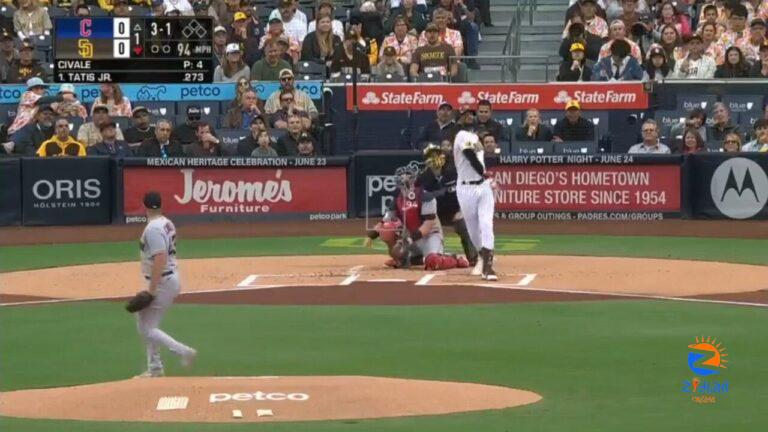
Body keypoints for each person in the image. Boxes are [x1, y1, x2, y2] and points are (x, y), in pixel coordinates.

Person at [133, 191, 197, 378]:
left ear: (144, 206)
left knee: (146, 328)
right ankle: (155, 367)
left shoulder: (153, 228)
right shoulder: (167, 223)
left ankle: (184, 352)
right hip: (167, 278)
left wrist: (152, 290)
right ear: (161, 205)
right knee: (147, 323)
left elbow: (160, 258)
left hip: (162, 281)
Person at [365, 165, 470, 270]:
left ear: (413, 181)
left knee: (433, 261)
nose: (405, 184)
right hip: (410, 236)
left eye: (407, 181)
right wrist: (371, 236)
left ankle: (454, 259)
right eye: (402, 181)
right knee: (387, 229)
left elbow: (427, 226)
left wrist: (409, 240)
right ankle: (406, 258)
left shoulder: (426, 197)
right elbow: (385, 220)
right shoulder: (397, 197)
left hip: (430, 236)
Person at [452, 106, 497, 280]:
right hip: (466, 188)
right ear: (459, 119)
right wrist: (483, 172)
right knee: (472, 229)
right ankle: (482, 256)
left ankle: (487, 267)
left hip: (483, 187)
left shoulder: (477, 137)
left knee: (486, 223)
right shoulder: (461, 136)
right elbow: (469, 155)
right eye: (465, 115)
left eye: (471, 114)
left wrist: (485, 177)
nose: (469, 117)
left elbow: (478, 156)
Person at [415, 143, 478, 266]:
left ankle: (473, 257)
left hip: (454, 211)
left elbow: (466, 193)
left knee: (464, 225)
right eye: (431, 156)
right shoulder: (422, 178)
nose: (434, 159)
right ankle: (415, 256)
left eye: (437, 155)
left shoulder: (454, 173)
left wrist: (461, 210)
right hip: (432, 214)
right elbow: (418, 199)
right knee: (418, 228)